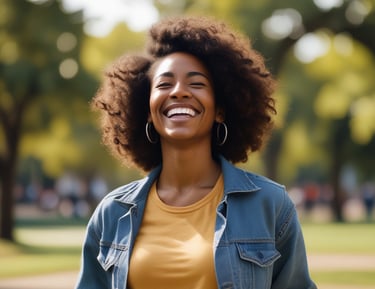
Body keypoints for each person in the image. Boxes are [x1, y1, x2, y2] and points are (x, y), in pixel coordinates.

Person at [75, 16, 317, 289]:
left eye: (197, 84)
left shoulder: (270, 205)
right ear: (147, 110)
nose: (179, 92)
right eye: (164, 84)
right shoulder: (112, 212)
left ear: (221, 110)